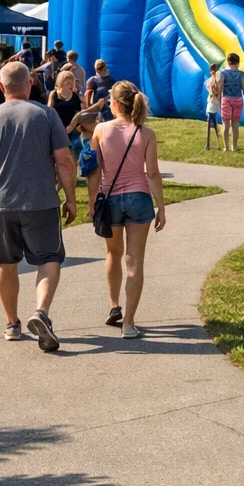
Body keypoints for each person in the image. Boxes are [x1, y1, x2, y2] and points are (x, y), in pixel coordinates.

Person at [0, 61, 76, 351]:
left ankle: (12, 323)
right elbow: (64, 160)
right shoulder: (47, 115)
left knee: (5, 262)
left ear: (1, 87)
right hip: (41, 202)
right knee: (49, 258)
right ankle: (40, 312)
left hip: (1, 204)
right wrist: (72, 199)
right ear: (30, 85)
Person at [88, 82, 166, 338]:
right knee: (135, 262)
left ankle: (114, 306)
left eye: (110, 99)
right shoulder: (147, 134)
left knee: (112, 254)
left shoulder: (100, 130)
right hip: (139, 198)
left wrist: (92, 201)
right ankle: (129, 323)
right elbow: (152, 173)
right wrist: (161, 207)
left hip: (109, 200)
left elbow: (93, 171)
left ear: (117, 104)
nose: (109, 103)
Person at [219, 53, 244, 151]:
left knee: (226, 125)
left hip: (226, 99)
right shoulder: (241, 73)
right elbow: (243, 87)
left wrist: (219, 100)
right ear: (238, 63)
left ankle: (226, 147)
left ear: (228, 62)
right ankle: (234, 146)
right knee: (235, 125)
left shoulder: (223, 73)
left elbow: (220, 88)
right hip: (238, 99)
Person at [204, 62, 222, 148]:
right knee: (211, 119)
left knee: (211, 119)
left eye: (213, 69)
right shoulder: (210, 81)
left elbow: (216, 91)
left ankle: (211, 142)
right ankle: (210, 142)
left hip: (214, 103)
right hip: (212, 102)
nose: (212, 71)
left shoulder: (216, 79)